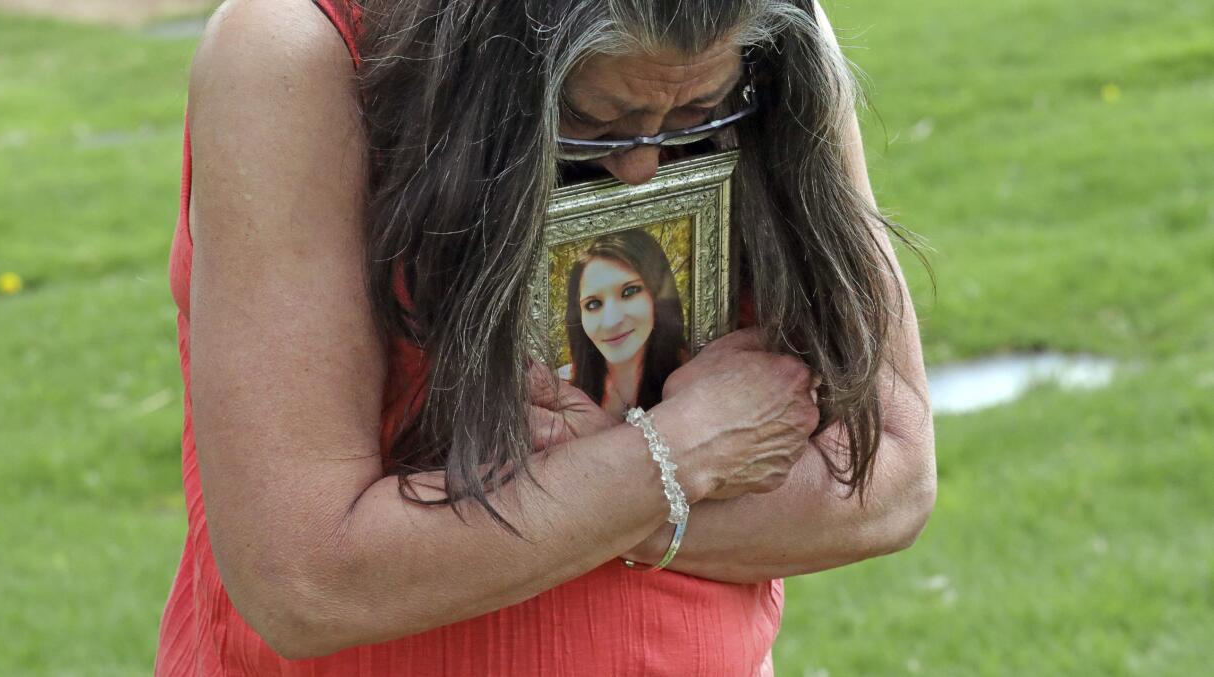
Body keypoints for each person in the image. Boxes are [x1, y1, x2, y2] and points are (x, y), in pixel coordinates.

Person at [155, 0, 937, 674]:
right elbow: (307, 582)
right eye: (593, 121)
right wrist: (681, 450)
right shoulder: (296, 59)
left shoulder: (766, 26)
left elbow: (891, 482)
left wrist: (581, 491)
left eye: (701, 117)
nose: (640, 165)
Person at [559, 229, 688, 419]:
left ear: (657, 296)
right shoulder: (561, 390)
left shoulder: (696, 376)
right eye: (593, 304)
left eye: (629, 292)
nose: (612, 321)